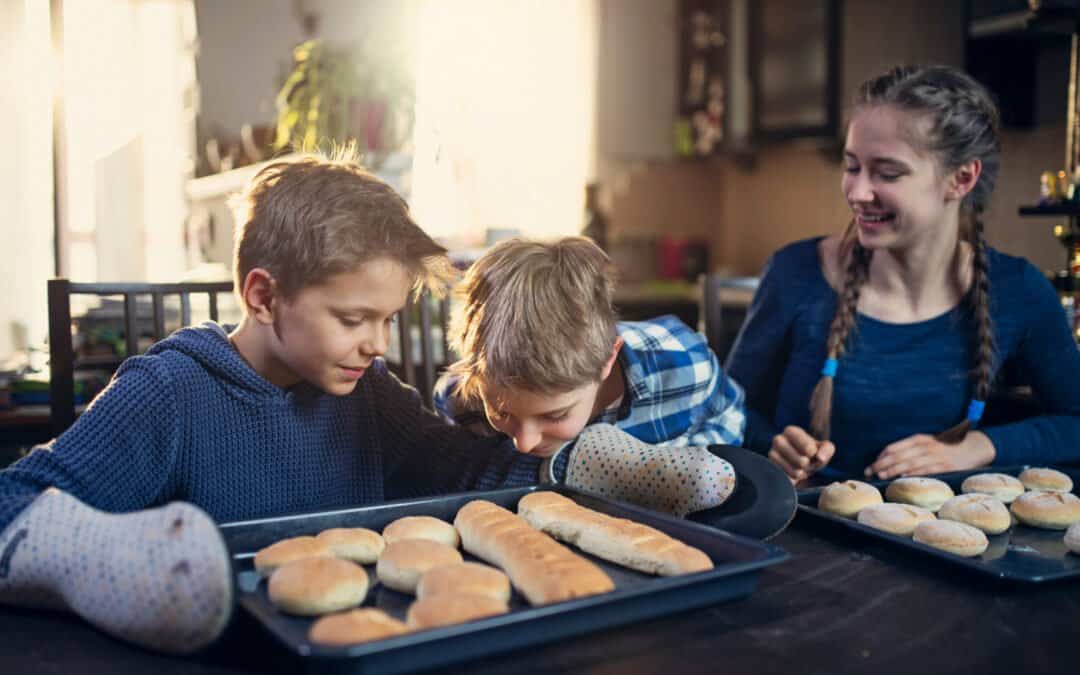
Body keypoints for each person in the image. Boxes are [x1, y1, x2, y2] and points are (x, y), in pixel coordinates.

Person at [0, 153, 547, 654]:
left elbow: (468, 469)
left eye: (389, 320)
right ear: (263, 296)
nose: (378, 344)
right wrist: (110, 553)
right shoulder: (168, 394)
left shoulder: (368, 389)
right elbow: (12, 501)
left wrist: (573, 461)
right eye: (353, 320)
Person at [725, 65, 1080, 485]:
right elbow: (724, 410)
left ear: (961, 178)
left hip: (942, 542)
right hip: (803, 534)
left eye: (887, 173)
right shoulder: (795, 272)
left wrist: (976, 449)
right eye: (852, 166)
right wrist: (771, 445)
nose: (857, 192)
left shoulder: (1017, 291)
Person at [433, 237, 745, 511]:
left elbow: (730, 415)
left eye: (555, 416)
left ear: (607, 361)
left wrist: (673, 468)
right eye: (501, 412)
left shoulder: (683, 364)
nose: (525, 444)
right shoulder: (463, 400)